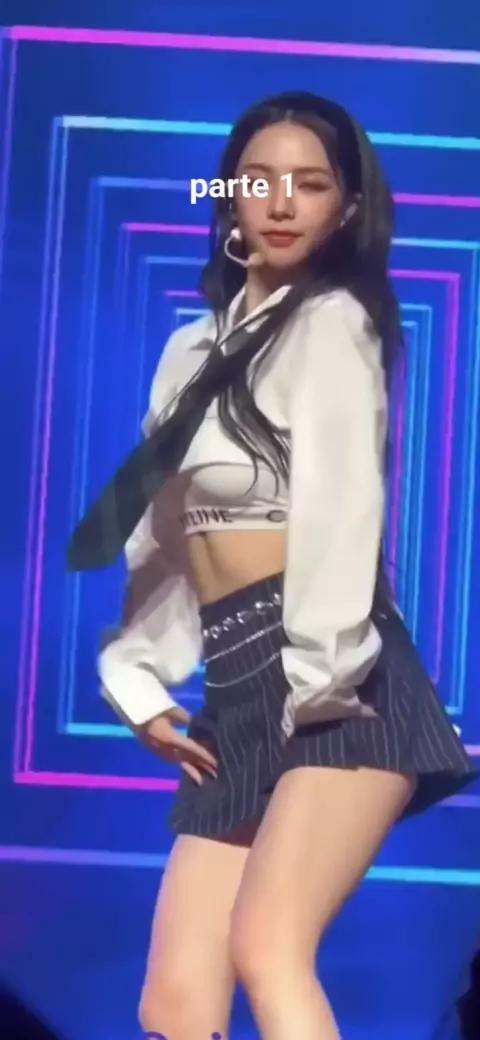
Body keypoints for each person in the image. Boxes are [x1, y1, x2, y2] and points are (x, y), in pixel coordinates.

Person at [67, 91, 478, 1040]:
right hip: (235, 684)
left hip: (340, 687)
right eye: (258, 182)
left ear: (348, 208)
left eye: (312, 184)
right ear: (227, 199)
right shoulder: (187, 350)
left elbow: (344, 508)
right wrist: (136, 679)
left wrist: (320, 680)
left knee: (268, 944)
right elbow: (163, 541)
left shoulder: (332, 322)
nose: (282, 202)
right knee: (174, 1003)